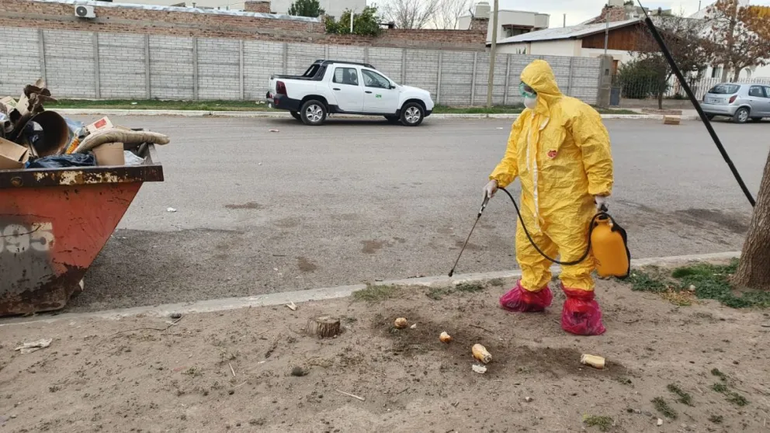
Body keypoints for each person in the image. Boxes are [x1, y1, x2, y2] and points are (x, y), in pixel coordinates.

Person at [483, 59, 613, 336]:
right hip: (533, 203)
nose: (524, 93)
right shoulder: (525, 120)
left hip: (570, 203)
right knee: (529, 249)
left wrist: (600, 190)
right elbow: (513, 156)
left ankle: (580, 307)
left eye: (528, 88)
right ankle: (532, 292)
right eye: (523, 87)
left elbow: (596, 152)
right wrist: (497, 179)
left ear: (541, 88)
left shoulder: (575, 113)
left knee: (575, 255)